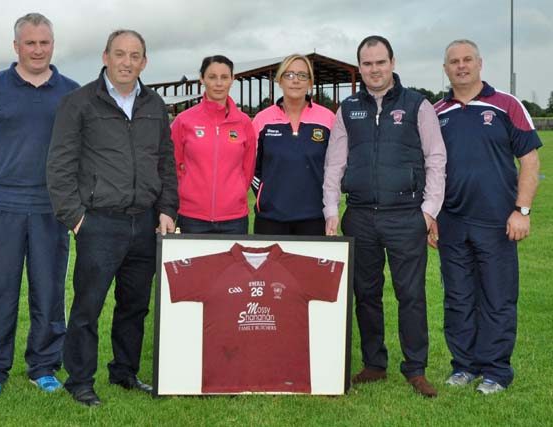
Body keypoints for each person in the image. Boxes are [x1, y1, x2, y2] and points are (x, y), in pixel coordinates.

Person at [46, 29, 178, 406]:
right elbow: (59, 165)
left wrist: (167, 208)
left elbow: (166, 162)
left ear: (144, 62)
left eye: (135, 55)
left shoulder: (155, 105)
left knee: (134, 305)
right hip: (98, 222)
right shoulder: (79, 102)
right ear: (105, 57)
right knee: (88, 307)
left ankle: (124, 372)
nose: (126, 62)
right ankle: (80, 381)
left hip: (146, 220)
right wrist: (75, 218)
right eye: (119, 54)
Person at [0, 13, 79, 400]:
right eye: (30, 43)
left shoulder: (71, 93)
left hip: (50, 209)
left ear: (53, 45)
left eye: (44, 42)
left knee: (48, 290)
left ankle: (43, 367)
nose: (38, 50)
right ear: (16, 46)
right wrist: (1, 172)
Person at [323, 35, 446, 397]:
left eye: (380, 62)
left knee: (411, 294)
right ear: (359, 67)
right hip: (359, 215)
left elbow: (436, 159)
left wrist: (428, 212)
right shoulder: (348, 109)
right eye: (367, 63)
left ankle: (415, 368)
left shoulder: (417, 105)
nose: (374, 69)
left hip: (406, 216)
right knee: (366, 293)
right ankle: (374, 363)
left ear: (392, 63)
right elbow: (334, 163)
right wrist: (332, 210)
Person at [433, 39, 541, 394]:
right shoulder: (436, 112)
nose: (461, 66)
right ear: (445, 69)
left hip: (497, 223)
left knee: (497, 297)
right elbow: (427, 168)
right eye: (454, 61)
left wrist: (521, 210)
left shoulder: (507, 105)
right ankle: (463, 366)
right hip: (451, 222)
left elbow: (530, 159)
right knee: (458, 298)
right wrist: (430, 216)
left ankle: (496, 371)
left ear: (480, 63)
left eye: (467, 60)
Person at [171, 55, 256, 234]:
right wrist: (187, 192)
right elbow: (172, 166)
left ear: (232, 79)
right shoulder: (183, 121)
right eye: (212, 77)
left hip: (234, 219)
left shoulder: (244, 123)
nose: (218, 83)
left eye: (224, 77)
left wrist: (236, 193)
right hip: (192, 217)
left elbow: (247, 170)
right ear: (202, 79)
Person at [252, 54, 335, 235]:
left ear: (310, 82)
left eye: (302, 75)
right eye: (289, 75)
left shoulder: (328, 118)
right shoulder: (262, 120)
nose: (295, 80)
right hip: (270, 219)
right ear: (279, 81)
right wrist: (265, 196)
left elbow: (334, 167)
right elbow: (251, 167)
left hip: (314, 218)